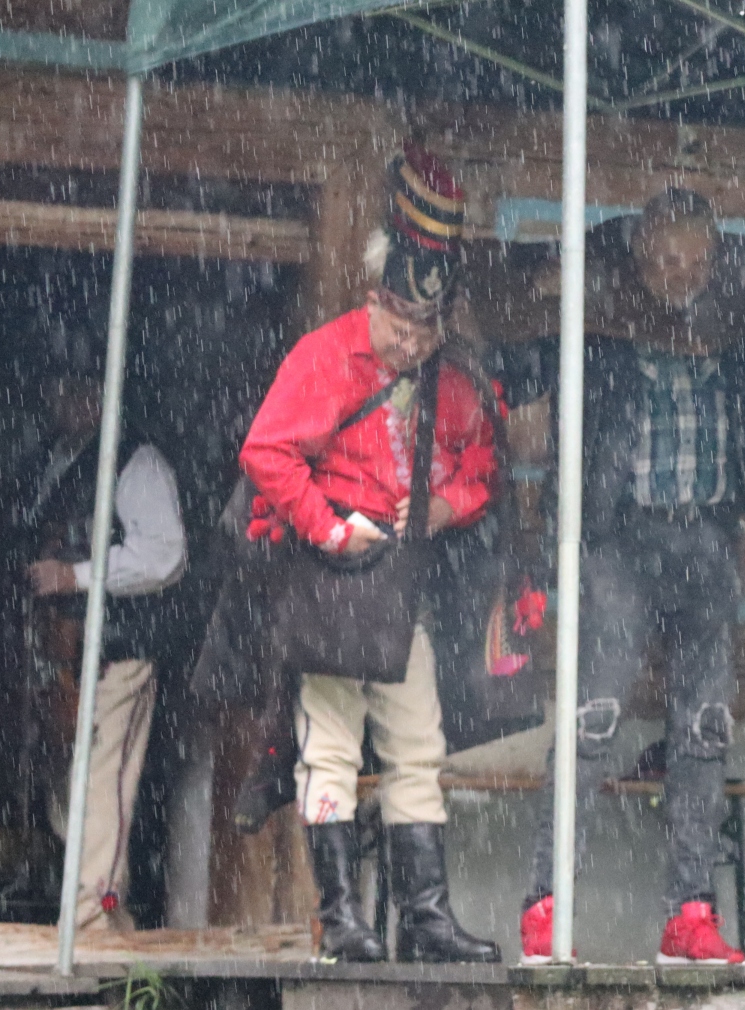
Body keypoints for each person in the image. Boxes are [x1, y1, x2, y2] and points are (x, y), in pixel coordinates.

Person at [502, 189, 745, 965]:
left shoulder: (741, 337)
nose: (682, 276)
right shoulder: (599, 340)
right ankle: (547, 904)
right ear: (638, 261)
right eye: (667, 260)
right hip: (619, 538)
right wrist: (547, 301)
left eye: (697, 262)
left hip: (707, 536)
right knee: (594, 716)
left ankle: (689, 911)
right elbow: (521, 372)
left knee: (704, 727)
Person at [239, 144, 500, 964]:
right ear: (373, 299)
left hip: (401, 589)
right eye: (400, 325)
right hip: (328, 579)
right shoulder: (326, 355)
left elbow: (483, 468)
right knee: (329, 748)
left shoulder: (453, 377)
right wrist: (327, 526)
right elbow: (266, 453)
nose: (411, 342)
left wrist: (445, 507)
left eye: (426, 329)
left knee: (417, 747)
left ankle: (425, 918)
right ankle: (341, 918)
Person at [24, 368, 187, 931]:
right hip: (61, 654)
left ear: (100, 392)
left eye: (74, 387)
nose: (61, 399)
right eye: (56, 388)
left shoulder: (137, 461)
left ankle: (95, 919)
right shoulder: (52, 463)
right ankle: (92, 913)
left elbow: (165, 556)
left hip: (116, 649)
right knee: (67, 786)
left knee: (100, 784)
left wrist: (75, 576)